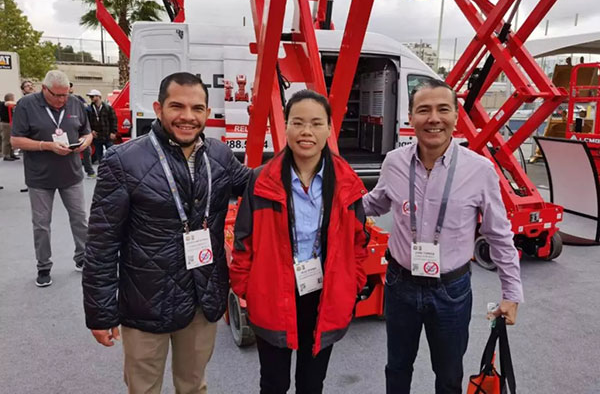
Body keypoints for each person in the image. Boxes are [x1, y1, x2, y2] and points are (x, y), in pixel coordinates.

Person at [83, 72, 250, 394]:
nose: (188, 116)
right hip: (145, 303)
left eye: (197, 108)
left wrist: (304, 158)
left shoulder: (219, 156)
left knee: (194, 386)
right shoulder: (124, 161)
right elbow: (101, 243)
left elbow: (260, 185)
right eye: (177, 106)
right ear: (159, 109)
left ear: (207, 112)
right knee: (144, 388)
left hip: (202, 297)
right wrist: (101, 313)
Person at [362, 79, 523, 394]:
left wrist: (511, 293)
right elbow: (376, 202)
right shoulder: (394, 162)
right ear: (411, 117)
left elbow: (499, 234)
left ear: (456, 116)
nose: (433, 118)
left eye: (443, 109)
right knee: (396, 369)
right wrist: (331, 197)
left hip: (451, 290)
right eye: (424, 110)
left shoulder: (480, 170)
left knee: (449, 375)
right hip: (400, 284)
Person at [230, 89, 369, 394]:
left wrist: (352, 284)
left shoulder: (346, 182)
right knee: (274, 383)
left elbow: (358, 241)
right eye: (298, 122)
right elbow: (243, 241)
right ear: (286, 126)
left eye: (316, 123)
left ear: (329, 129)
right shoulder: (261, 180)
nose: (307, 131)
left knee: (311, 383)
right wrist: (248, 289)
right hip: (272, 293)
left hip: (325, 293)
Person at [10, 70, 93, 287]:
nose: (62, 100)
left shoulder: (75, 103)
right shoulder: (26, 105)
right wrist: (46, 145)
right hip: (40, 177)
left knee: (80, 219)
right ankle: (44, 266)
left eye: (66, 94)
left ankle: (83, 257)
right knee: (41, 225)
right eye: (57, 95)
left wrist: (85, 142)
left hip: (71, 174)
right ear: (44, 89)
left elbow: (87, 132)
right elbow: (16, 141)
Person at [69, 83, 95, 178]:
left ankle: (89, 170)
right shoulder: (58, 100)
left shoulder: (77, 99)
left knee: (86, 149)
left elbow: (86, 109)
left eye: (70, 87)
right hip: (68, 129)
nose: (69, 88)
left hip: (80, 128)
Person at [86, 88, 117, 163]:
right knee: (99, 156)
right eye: (90, 97)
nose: (91, 98)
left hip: (107, 135)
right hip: (97, 136)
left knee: (111, 155)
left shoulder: (108, 108)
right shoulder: (89, 109)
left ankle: (111, 167)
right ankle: (102, 168)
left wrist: (113, 132)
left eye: (92, 96)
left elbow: (113, 120)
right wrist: (91, 131)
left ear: (98, 96)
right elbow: (87, 122)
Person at [0, 93, 19, 161]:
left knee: (11, 139)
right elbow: (8, 103)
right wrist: (19, 103)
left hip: (10, 123)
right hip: (6, 124)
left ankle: (11, 153)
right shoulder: (3, 104)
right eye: (13, 97)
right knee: (6, 140)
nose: (14, 99)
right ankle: (6, 155)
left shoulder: (11, 105)